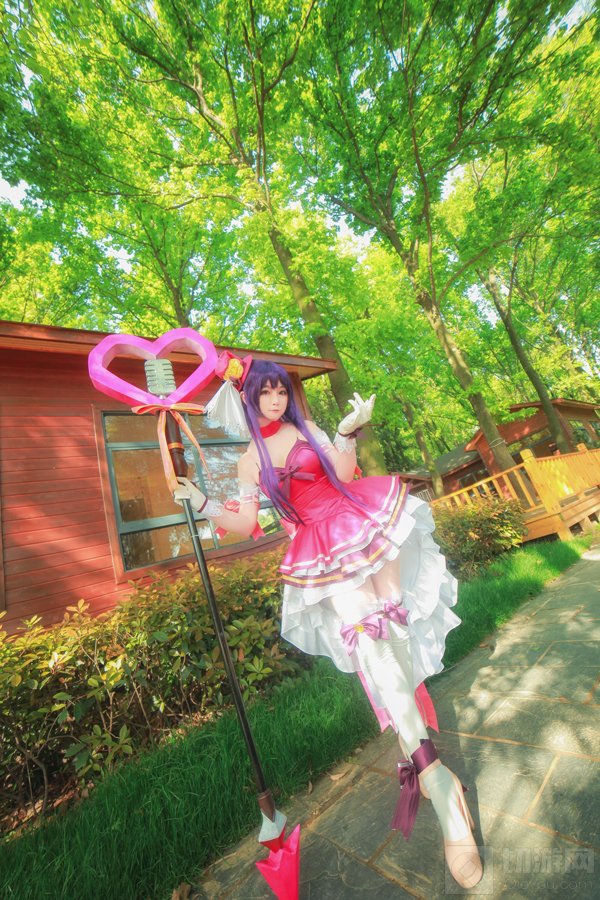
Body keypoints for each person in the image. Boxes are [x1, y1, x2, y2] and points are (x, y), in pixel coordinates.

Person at [175, 358, 483, 889]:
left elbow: (341, 474)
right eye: (265, 392)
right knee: (373, 653)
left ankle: (432, 773)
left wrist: (345, 433)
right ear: (248, 398)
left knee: (393, 642)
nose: (276, 400)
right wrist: (201, 501)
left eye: (280, 391)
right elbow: (245, 523)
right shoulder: (248, 463)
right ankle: (436, 781)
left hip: (358, 519)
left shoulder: (306, 429)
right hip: (319, 547)